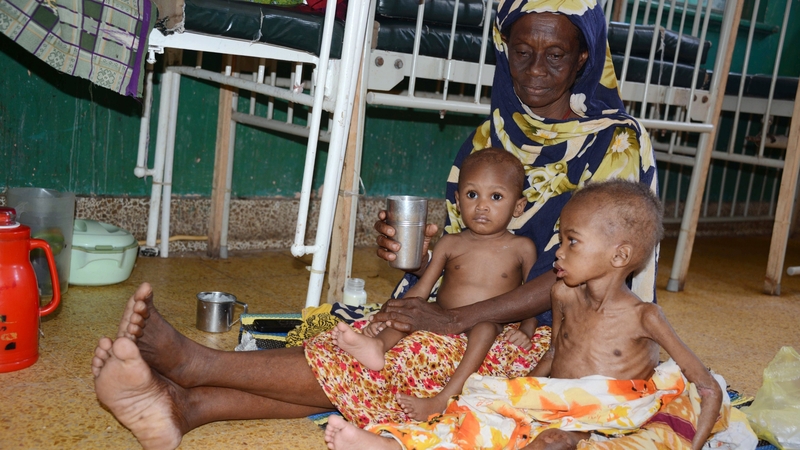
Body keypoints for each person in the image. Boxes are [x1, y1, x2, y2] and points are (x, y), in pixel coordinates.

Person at [90, 0, 660, 447]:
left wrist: (455, 316)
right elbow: (469, 241)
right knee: (368, 337)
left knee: (403, 360)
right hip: (474, 309)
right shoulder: (491, 139)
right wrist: (411, 256)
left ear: (584, 57)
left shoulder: (614, 145)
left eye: (555, 54)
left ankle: (195, 364)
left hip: (540, 335)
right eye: (520, 52)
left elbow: (579, 280)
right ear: (503, 51)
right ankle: (185, 408)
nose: (536, 70)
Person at [323, 179, 726, 450]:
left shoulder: (644, 317)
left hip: (609, 412)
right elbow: (553, 355)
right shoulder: (562, 295)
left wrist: (696, 442)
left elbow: (708, 387)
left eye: (571, 242)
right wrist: (515, 390)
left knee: (570, 441)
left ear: (619, 255)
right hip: (555, 401)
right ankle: (393, 443)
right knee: (475, 408)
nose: (559, 253)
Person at [333, 148, 538, 421]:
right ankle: (377, 347)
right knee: (413, 308)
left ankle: (443, 398)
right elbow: (422, 288)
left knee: (485, 328)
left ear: (518, 206)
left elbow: (531, 295)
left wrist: (526, 329)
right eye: (472, 194)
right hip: (437, 317)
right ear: (457, 199)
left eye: (496, 197)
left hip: (489, 324)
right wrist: (392, 316)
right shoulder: (450, 243)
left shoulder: (522, 248)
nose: (482, 206)